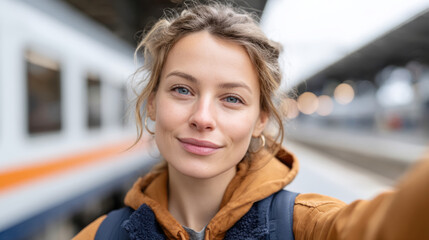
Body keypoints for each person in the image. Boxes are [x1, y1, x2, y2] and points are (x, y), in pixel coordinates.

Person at [74, 3, 429, 240]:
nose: (202, 118)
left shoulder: (308, 225)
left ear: (260, 120)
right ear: (152, 103)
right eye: (182, 90)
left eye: (232, 99)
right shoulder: (99, 235)